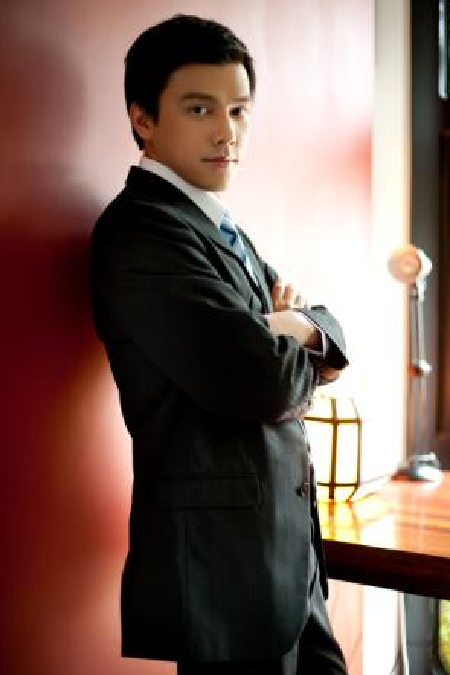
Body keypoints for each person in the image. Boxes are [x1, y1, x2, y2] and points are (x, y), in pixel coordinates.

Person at [91, 14, 349, 675]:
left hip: (289, 560)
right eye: (200, 108)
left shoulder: (216, 225)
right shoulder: (142, 232)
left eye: (238, 110)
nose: (226, 132)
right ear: (144, 119)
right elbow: (258, 381)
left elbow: (327, 330)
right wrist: (281, 332)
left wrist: (295, 325)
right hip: (225, 573)